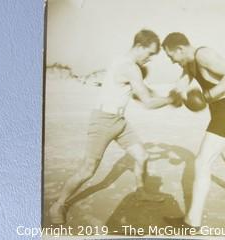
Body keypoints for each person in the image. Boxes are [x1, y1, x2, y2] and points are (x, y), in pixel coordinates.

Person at [49, 29, 174, 225]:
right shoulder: (129, 67)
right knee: (87, 170)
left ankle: (141, 192)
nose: (149, 59)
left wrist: (167, 97)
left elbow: (143, 91)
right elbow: (147, 101)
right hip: (103, 121)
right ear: (140, 47)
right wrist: (172, 99)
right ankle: (58, 204)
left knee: (142, 156)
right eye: (149, 54)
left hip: (120, 122)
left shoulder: (121, 61)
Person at [162, 32, 225, 228]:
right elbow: (182, 82)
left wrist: (208, 95)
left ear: (180, 49)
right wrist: (175, 95)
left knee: (201, 163)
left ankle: (191, 222)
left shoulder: (203, 55)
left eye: (171, 56)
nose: (171, 61)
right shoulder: (189, 63)